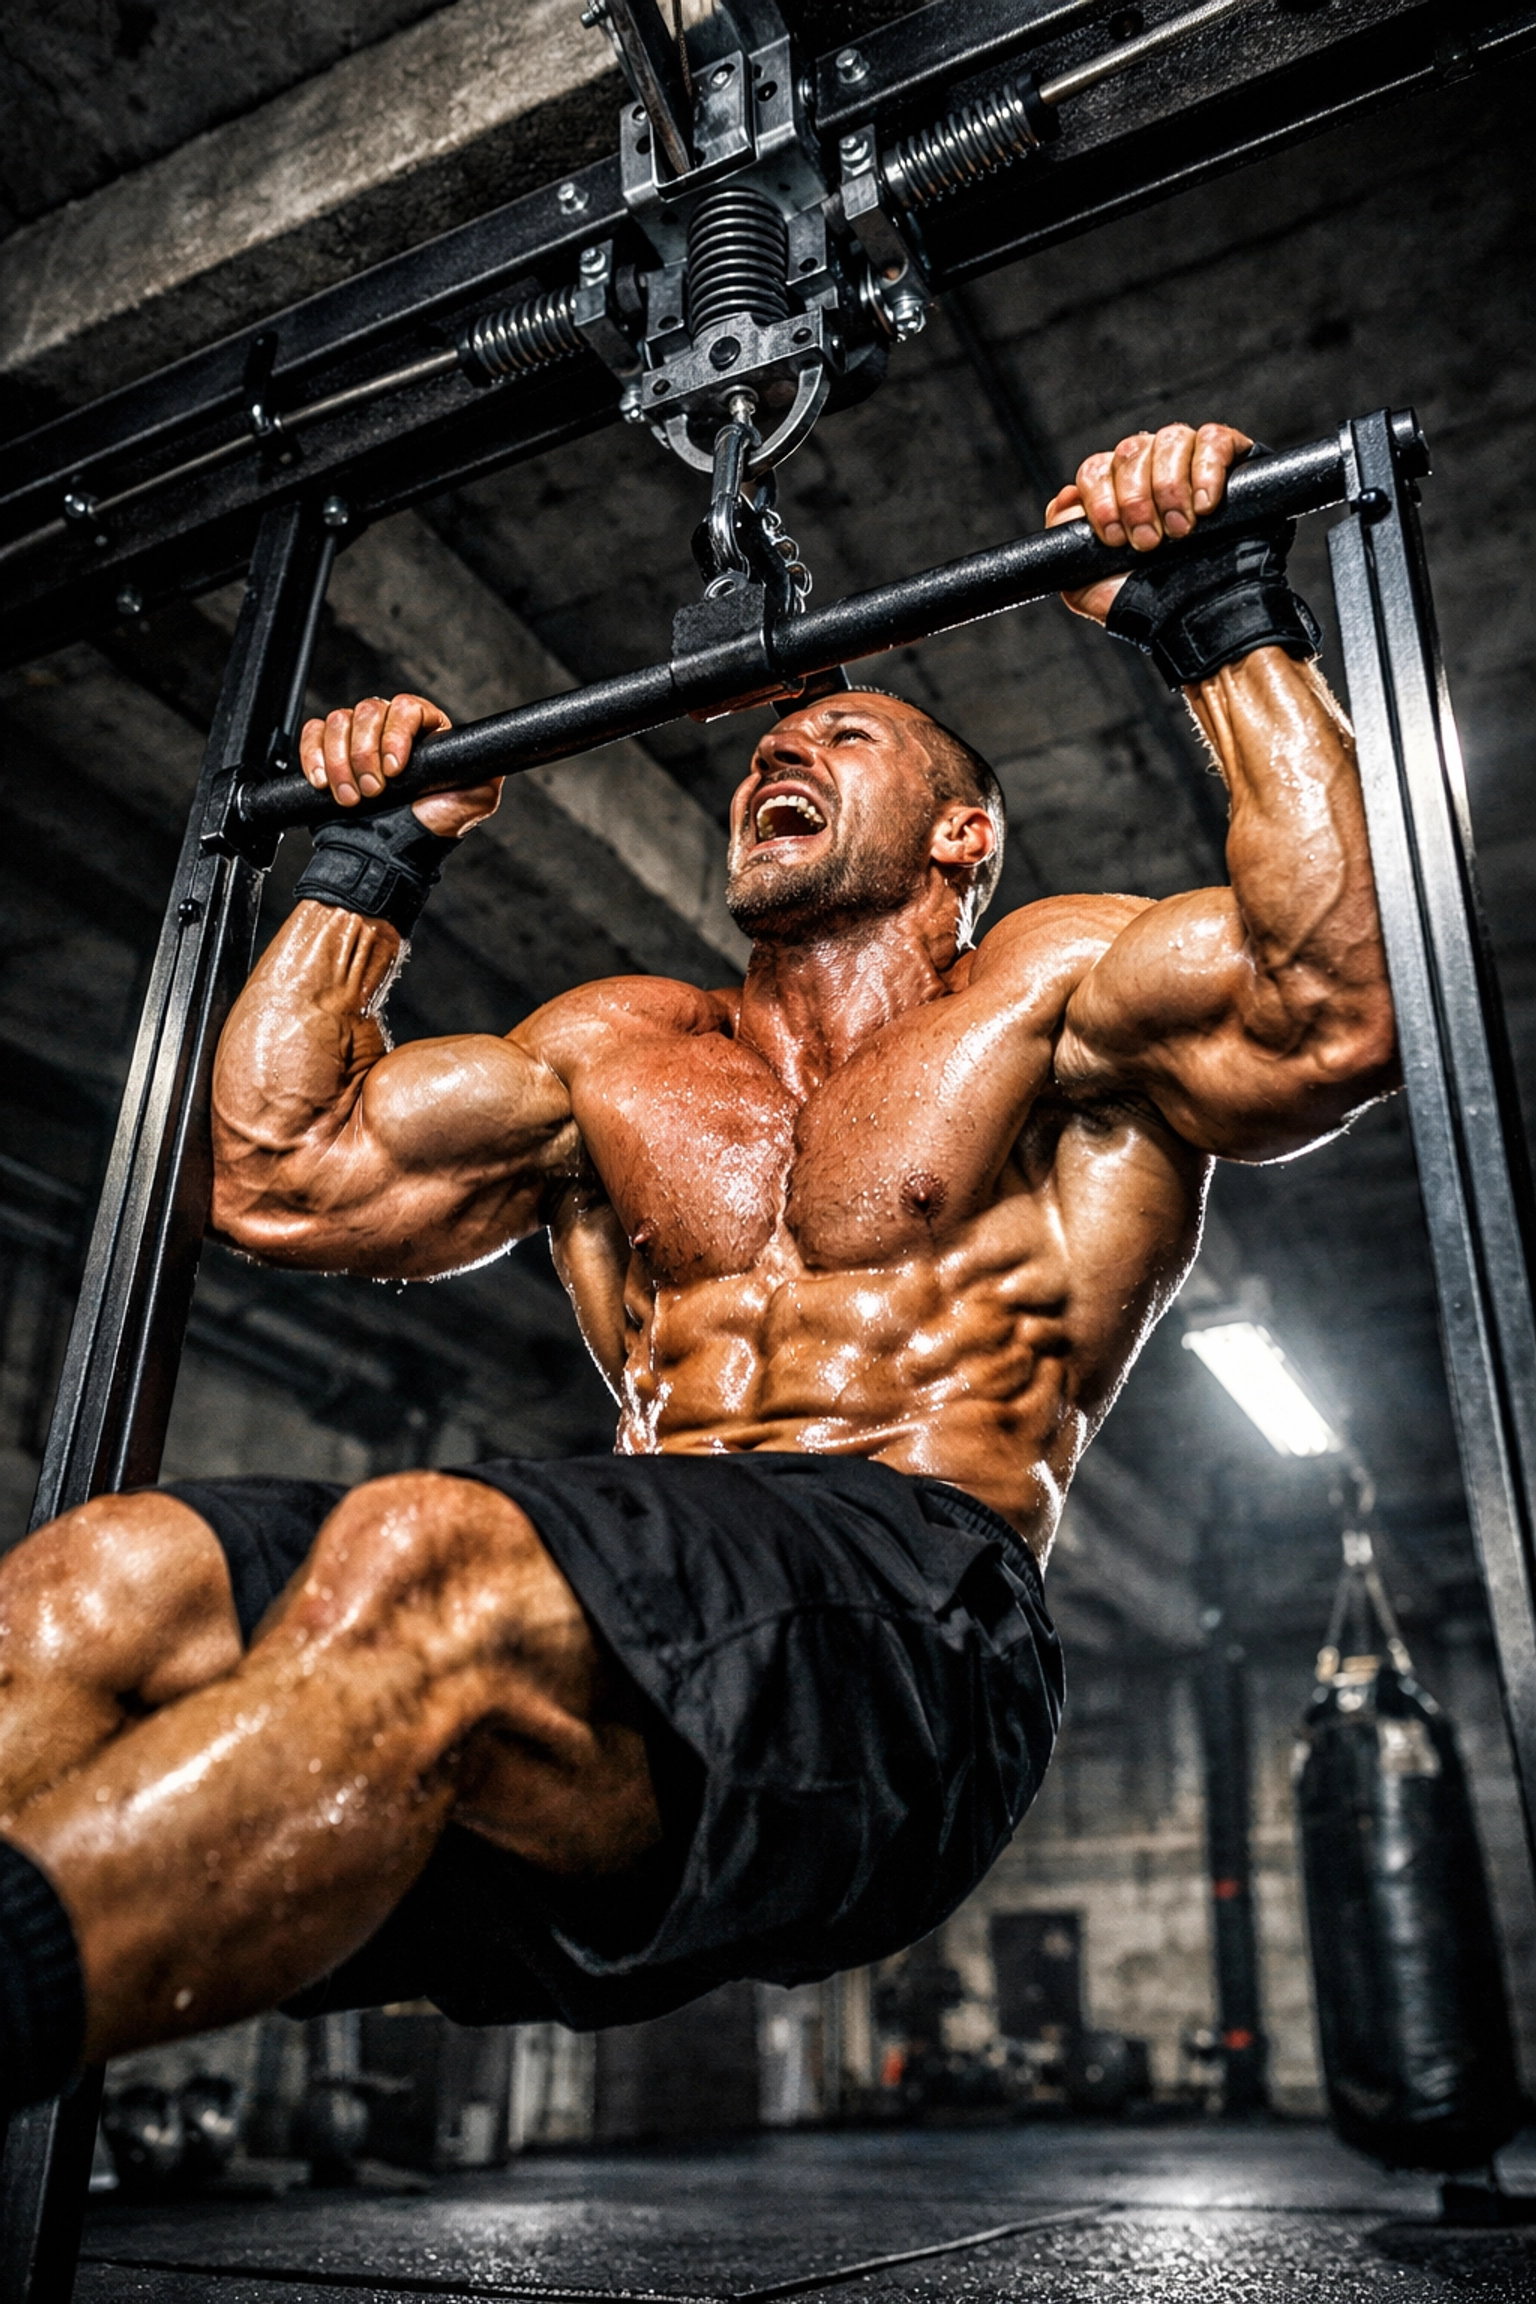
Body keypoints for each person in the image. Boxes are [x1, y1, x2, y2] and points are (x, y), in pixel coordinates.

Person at [0, 423, 1395, 2111]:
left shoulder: (1051, 990)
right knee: (102, 1580)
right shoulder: (617, 1054)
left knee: (424, 1547)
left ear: (963, 838)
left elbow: (1341, 1001)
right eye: (769, 747)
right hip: (639, 1650)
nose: (780, 751)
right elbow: (274, 1172)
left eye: (847, 734)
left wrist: (1217, 608)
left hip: (913, 1642)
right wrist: (378, 855)